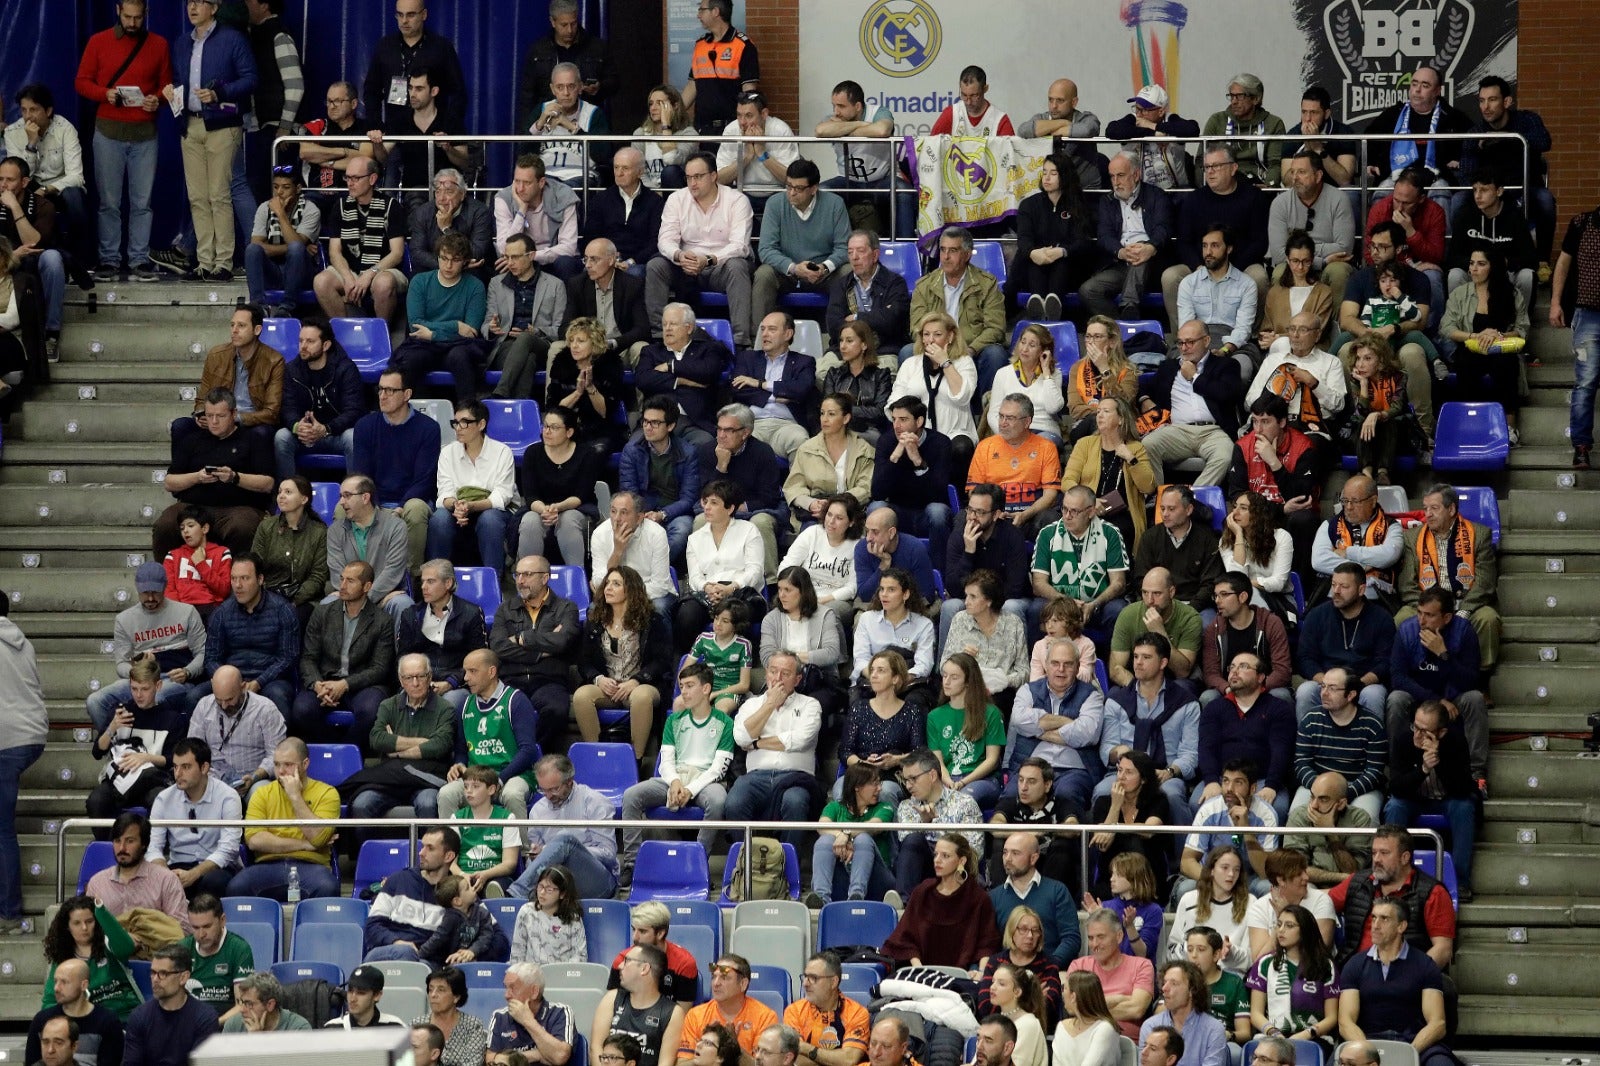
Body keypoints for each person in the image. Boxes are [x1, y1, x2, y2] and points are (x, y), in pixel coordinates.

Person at [74, 0, 172, 282]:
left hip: (145, 135)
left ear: (146, 15)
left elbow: (167, 85)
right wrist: (104, 93)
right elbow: (81, 82)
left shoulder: (159, 44)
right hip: (108, 133)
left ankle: (139, 259)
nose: (132, 23)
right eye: (127, 17)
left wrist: (158, 100)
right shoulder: (98, 41)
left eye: (138, 18)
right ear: (117, 11)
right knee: (109, 202)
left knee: (142, 202)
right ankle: (109, 259)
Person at [160, 0, 256, 283]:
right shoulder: (181, 43)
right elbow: (179, 80)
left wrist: (220, 93)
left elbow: (251, 79)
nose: (193, 7)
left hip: (222, 124)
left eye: (201, 2)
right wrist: (172, 93)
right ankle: (204, 262)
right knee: (198, 197)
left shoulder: (232, 39)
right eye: (190, 2)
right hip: (190, 123)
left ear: (214, 8)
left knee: (219, 194)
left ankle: (223, 262)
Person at [154, 389, 276, 560]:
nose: (214, 421)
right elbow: (169, 482)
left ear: (233, 414)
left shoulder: (252, 440)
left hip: (238, 507)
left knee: (243, 527)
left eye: (220, 416)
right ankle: (167, 580)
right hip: (194, 506)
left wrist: (235, 477)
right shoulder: (192, 440)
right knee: (165, 524)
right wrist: (197, 477)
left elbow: (267, 483)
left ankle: (236, 582)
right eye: (209, 416)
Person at [648, 152, 755, 345]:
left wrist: (708, 259)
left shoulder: (737, 200)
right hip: (685, 266)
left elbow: (740, 246)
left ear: (714, 176)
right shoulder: (676, 199)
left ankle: (741, 341)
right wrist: (679, 255)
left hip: (721, 266)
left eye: (698, 177)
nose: (692, 183)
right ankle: (658, 336)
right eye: (688, 178)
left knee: (737, 267)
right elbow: (665, 240)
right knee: (655, 266)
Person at [725, 651, 825, 853]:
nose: (777, 678)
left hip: (795, 777)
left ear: (797, 679)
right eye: (773, 671)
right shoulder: (751, 705)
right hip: (756, 777)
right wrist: (769, 704)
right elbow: (742, 738)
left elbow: (800, 740)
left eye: (785, 673)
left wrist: (757, 743)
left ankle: (788, 867)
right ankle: (746, 863)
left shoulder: (810, 705)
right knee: (734, 801)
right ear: (765, 675)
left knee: (795, 801)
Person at [1396, 482, 1501, 675]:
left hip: (1465, 602)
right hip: (1426, 603)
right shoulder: (1412, 537)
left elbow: (1484, 583)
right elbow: (1407, 585)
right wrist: (1427, 612)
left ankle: (1481, 679)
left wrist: (1463, 612)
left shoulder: (1479, 534)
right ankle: (1411, 675)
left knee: (1488, 619)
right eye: (1425, 508)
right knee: (1402, 617)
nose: (1427, 514)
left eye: (1434, 508)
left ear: (1451, 509)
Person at [85, 562, 202, 733]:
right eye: (145, 593)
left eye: (155, 592)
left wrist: (188, 671)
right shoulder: (124, 620)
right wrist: (137, 670)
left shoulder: (187, 612)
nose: (150, 598)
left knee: (155, 697)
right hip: (140, 680)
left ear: (165, 587)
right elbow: (121, 664)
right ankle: (117, 749)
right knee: (95, 701)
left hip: (174, 679)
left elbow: (203, 652)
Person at [1336, 899, 1454, 1066]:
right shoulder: (1354, 965)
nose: (1375, 925)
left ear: (1401, 926)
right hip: (1368, 1041)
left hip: (1415, 1042)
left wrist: (1407, 1053)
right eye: (1374, 918)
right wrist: (1366, 1052)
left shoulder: (1425, 965)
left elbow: (1437, 1023)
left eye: (1384, 919)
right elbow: (1345, 1021)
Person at [572, 566, 673, 758]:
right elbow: (583, 662)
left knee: (642, 697)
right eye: (607, 583)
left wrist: (637, 680)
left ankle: (636, 759)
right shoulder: (595, 621)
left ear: (631, 589)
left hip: (642, 685)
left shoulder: (652, 621)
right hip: (608, 686)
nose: (608, 588)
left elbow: (662, 661)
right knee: (581, 696)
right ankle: (596, 754)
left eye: (616, 584)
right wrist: (598, 679)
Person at [291, 560, 395, 744]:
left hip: (362, 686)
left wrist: (345, 685)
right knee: (302, 709)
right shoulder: (322, 613)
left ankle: (349, 753)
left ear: (367, 586)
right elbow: (308, 658)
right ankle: (331, 747)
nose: (343, 585)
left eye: (351, 581)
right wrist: (317, 685)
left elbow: (380, 668)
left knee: (371, 710)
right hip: (325, 681)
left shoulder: (382, 620)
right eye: (341, 579)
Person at [1100, 632, 1200, 822]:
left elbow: (1190, 754)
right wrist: (1116, 752)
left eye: (1146, 657)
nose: (1137, 662)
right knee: (1102, 792)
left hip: (1165, 773)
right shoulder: (1116, 701)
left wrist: (1170, 772)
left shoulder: (1186, 704)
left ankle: (1185, 852)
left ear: (1163, 663)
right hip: (1124, 772)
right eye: (1136, 656)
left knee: (1172, 796)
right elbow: (1107, 747)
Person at [1387, 698, 1480, 902]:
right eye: (1415, 727)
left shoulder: (1455, 741)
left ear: (1441, 732)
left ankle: (1460, 880)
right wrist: (1423, 769)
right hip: (1415, 800)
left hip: (1448, 799)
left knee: (1463, 807)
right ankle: (1390, 874)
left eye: (1424, 731)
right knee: (1394, 806)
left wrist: (1437, 760)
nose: (1417, 735)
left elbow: (1463, 788)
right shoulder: (1404, 739)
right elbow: (1395, 787)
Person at [347, 653, 455, 825]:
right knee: (361, 804)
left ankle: (426, 851)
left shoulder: (446, 708)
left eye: (420, 676)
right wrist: (424, 741)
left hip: (426, 779)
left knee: (427, 803)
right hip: (391, 779)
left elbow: (440, 745)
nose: (415, 683)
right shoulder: (387, 705)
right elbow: (377, 739)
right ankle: (369, 852)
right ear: (400, 679)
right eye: (409, 677)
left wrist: (396, 751)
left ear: (429, 677)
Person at [1163, 148, 1271, 320]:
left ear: (1233, 168)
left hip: (1241, 266)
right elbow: (1183, 242)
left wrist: (1231, 270)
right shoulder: (1194, 200)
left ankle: (1253, 336)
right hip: (1201, 265)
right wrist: (1199, 267)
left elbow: (1260, 242)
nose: (1210, 172)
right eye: (1207, 167)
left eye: (1216, 166)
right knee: (1171, 277)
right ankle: (1182, 338)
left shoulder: (1253, 197)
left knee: (1258, 277)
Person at [352, 370, 442, 574]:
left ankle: (412, 578)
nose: (383, 396)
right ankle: (355, 576)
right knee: (344, 508)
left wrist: (399, 508)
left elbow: (424, 479)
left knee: (416, 509)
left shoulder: (428, 428)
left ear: (407, 394)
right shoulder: (365, 426)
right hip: (376, 499)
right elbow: (362, 476)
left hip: (410, 500)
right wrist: (375, 507)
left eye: (390, 390)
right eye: (380, 389)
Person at [226, 738, 340, 900]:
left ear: (305, 764)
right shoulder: (261, 794)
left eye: (288, 765)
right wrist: (306, 845)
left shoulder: (327, 793)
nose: (280, 771)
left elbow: (317, 837)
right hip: (267, 865)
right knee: (236, 887)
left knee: (328, 887)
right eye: (277, 764)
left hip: (312, 866)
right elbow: (254, 840)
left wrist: (295, 796)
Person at [489, 559, 580, 758]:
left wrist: (523, 638)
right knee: (498, 710)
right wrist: (542, 651)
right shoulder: (505, 609)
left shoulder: (566, 608)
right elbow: (498, 647)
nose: (520, 580)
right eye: (517, 575)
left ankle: (535, 755)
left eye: (527, 575)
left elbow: (562, 642)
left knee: (556, 710)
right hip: (512, 679)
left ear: (545, 578)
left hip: (550, 679)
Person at [1137, 321, 1245, 488]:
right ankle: (1159, 500)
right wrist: (1144, 399)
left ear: (1206, 341)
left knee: (1225, 456)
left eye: (1190, 342)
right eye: (1180, 343)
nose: (1184, 347)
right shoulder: (1169, 367)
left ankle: (1193, 499)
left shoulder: (1226, 365)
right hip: (1178, 430)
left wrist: (1194, 377)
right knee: (1148, 445)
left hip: (1214, 431)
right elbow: (1142, 384)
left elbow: (1226, 394)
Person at [903, 228, 1008, 401]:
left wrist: (971, 349)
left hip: (972, 347)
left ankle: (984, 414)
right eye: (943, 250)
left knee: (995, 354)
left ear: (967, 255)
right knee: (907, 351)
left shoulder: (987, 284)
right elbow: (917, 327)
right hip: (935, 345)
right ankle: (916, 411)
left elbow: (996, 328)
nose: (945, 256)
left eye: (953, 250)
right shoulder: (924, 285)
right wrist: (934, 346)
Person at [191, 555, 299, 719]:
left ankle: (278, 745)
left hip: (270, 680)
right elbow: (211, 658)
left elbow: (288, 658)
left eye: (244, 578)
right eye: (233, 579)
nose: (238, 585)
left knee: (278, 696)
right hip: (231, 678)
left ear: (260, 579)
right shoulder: (221, 613)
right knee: (194, 697)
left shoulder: (282, 610)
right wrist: (228, 682)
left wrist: (259, 682)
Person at [1438, 246, 1529, 436]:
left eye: (1481, 264)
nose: (1473, 269)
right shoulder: (1460, 293)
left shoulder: (1511, 294)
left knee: (1507, 363)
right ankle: (1470, 424)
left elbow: (1522, 330)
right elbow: (1446, 328)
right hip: (1471, 348)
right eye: (1471, 264)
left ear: (1493, 267)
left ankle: (1510, 428)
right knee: (1464, 362)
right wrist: (1475, 336)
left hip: (1501, 349)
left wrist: (1498, 335)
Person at [391, 234, 491, 407]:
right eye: (444, 258)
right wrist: (456, 326)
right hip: (424, 344)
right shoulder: (420, 282)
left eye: (455, 260)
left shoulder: (475, 286)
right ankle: (417, 413)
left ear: (465, 261)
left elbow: (471, 331)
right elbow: (416, 324)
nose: (448, 265)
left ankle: (467, 413)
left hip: (457, 346)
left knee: (459, 356)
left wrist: (433, 334)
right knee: (411, 360)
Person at [427, 398, 518, 581]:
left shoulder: (502, 452)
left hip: (494, 510)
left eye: (465, 422)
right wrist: (457, 506)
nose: (458, 427)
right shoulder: (448, 452)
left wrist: (471, 506)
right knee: (439, 518)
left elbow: (502, 496)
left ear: (481, 424)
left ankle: (493, 581)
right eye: (456, 422)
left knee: (490, 519)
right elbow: (444, 493)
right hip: (458, 508)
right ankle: (434, 579)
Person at [508, 754, 620, 901]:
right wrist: (539, 855)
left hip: (596, 880)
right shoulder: (537, 810)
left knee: (565, 841)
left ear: (569, 782)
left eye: (554, 789)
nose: (548, 796)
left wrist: (568, 851)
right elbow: (534, 864)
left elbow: (608, 854)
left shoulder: (595, 802)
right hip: (555, 883)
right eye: (543, 790)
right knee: (558, 847)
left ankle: (515, 895)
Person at [1197, 646, 1296, 813]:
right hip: (1224, 779)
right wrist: (1211, 780)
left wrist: (1272, 785)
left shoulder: (1278, 708)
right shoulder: (1215, 708)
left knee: (1277, 808)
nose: (1235, 672)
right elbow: (1207, 748)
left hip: (1262, 780)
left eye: (1243, 667)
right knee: (1197, 803)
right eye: (1232, 667)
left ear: (1261, 677)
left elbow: (1281, 751)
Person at [1224, 414, 1314, 596]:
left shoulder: (1303, 445)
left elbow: (1300, 499)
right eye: (1255, 422)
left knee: (1303, 519)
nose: (1258, 429)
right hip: (1268, 512)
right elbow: (1236, 495)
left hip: (1286, 519)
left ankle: (1306, 593)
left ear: (1282, 421)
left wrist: (1274, 462)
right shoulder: (1242, 446)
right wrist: (1239, 535)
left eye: (1265, 422)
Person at [1010, 639, 1106, 809]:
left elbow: (1087, 734)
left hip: (1075, 771)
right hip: (1030, 769)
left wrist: (1037, 729)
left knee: (1066, 795)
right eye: (1055, 663)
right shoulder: (1027, 690)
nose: (1061, 670)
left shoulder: (1092, 695)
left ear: (1077, 667)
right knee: (1010, 797)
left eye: (1068, 664)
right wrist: (1068, 722)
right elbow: (1018, 720)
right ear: (1046, 665)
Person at [312, 154, 407, 325]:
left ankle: (379, 335)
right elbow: (334, 251)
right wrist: (347, 277)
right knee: (321, 281)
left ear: (372, 179)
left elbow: (397, 253)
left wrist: (370, 274)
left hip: (383, 269)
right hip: (351, 269)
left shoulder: (392, 206)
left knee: (383, 283)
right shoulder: (340, 206)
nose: (349, 182)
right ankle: (346, 333)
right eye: (347, 177)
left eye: (356, 178)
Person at [85, 660, 181, 828]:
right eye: (134, 688)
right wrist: (112, 728)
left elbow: (173, 759)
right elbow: (97, 752)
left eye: (145, 689)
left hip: (152, 780)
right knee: (96, 801)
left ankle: (151, 850)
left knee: (160, 800)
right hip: (119, 779)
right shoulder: (120, 712)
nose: (138, 695)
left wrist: (146, 758)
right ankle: (112, 847)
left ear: (158, 686)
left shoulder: (172, 719)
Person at [752, 158, 849, 323]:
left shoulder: (835, 204)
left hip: (823, 271)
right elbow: (766, 249)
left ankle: (844, 335)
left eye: (798, 188)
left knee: (848, 272)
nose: (791, 192)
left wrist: (824, 267)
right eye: (788, 186)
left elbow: (844, 247)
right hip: (787, 271)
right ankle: (758, 339)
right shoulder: (775, 204)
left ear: (814, 188)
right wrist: (794, 268)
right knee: (763, 274)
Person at [1296, 562, 1396, 721]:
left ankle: (1371, 744)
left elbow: (1385, 662)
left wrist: (1357, 684)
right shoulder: (1317, 615)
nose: (1336, 591)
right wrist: (1329, 685)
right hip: (1325, 680)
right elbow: (1305, 657)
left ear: (1361, 590)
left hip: (1364, 683)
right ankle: (1307, 743)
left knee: (1374, 695)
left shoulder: (1381, 618)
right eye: (1333, 585)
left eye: (1344, 586)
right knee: (1305, 692)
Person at [882, 833, 999, 968]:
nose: (937, 860)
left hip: (963, 977)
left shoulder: (978, 898)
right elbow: (906, 937)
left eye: (945, 856)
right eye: (936, 854)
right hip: (921, 975)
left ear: (961, 861)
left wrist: (981, 973)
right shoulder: (923, 891)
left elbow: (986, 945)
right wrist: (918, 969)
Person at [1079, 152, 1173, 319]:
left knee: (1140, 250)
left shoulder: (1156, 196)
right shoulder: (1107, 201)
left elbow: (1163, 229)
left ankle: (1129, 306)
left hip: (1152, 263)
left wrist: (1150, 247)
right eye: (1112, 177)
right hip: (1121, 262)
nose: (1115, 182)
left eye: (1120, 176)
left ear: (1136, 175)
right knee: (1088, 290)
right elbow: (1104, 235)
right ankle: (1119, 327)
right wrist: (1120, 252)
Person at [1010, 153, 1099, 321]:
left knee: (1061, 260)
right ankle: (1038, 302)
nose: (1047, 178)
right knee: (1035, 261)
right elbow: (1024, 239)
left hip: (1068, 267)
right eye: (1044, 172)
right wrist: (1033, 253)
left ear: (1064, 175)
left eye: (1053, 173)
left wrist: (1062, 251)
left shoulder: (1078, 204)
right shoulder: (1029, 205)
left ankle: (1053, 303)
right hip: (1033, 266)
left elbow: (1083, 242)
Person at [479, 233, 568, 400]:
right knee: (528, 360)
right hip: (507, 346)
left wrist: (536, 331)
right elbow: (485, 325)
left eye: (516, 257)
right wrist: (491, 328)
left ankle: (500, 392)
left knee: (526, 338)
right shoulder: (496, 284)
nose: (510, 263)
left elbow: (560, 329)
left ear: (531, 255)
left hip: (542, 344)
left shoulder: (556, 285)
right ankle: (520, 408)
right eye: (507, 257)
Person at [1292, 659, 1386, 814]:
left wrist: (1343, 793)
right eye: (1323, 686)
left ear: (1350, 695)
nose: (1324, 693)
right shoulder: (1310, 719)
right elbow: (1302, 763)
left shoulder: (1372, 724)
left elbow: (1374, 772)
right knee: (1297, 812)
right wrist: (1322, 790)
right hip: (1317, 785)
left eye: (1333, 688)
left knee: (1365, 816)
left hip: (1358, 788)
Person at [1031, 485, 1130, 631]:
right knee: (1036, 608)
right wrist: (1066, 602)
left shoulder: (1110, 533)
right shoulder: (1048, 533)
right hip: (1059, 603)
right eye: (1064, 509)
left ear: (1090, 512)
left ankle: (1112, 654)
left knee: (1117, 609)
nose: (1067, 516)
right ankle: (1039, 654)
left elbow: (1118, 583)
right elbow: (1038, 583)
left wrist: (1094, 604)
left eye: (1074, 511)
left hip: (1097, 605)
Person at [1179, 757, 1280, 899]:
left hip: (1248, 878)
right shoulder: (1209, 810)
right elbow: (1187, 861)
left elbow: (1265, 872)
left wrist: (1246, 830)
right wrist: (1216, 881)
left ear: (1252, 788)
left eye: (1238, 782)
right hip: (1213, 876)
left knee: (1267, 888)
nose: (1229, 789)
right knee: (1186, 888)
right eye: (1225, 781)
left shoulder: (1266, 815)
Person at [273, 320, 363, 480]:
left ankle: (356, 494)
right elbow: (287, 407)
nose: (303, 346)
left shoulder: (345, 369)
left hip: (335, 433)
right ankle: (286, 495)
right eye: (301, 341)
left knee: (353, 437)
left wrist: (326, 428)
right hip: (305, 434)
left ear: (326, 345)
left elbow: (353, 411)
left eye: (310, 341)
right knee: (282, 437)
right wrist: (297, 426)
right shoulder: (292, 370)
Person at [1267, 152, 1356, 311]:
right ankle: (1285, 329)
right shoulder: (1280, 203)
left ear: (1318, 175)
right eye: (1292, 172)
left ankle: (1336, 330)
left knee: (1339, 271)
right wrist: (1322, 260)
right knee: (1280, 272)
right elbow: (1280, 255)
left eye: (1301, 172)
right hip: (1297, 264)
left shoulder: (1339, 199)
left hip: (1332, 265)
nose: (1294, 178)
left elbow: (1344, 249)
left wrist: (1301, 252)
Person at [1362, 64, 1470, 196]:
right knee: (1382, 192)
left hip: (1437, 176)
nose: (1417, 90)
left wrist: (1460, 159)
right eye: (1414, 84)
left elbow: (1472, 143)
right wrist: (1372, 162)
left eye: (1425, 86)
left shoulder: (1453, 117)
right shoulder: (1394, 114)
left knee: (1440, 192)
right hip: (1397, 176)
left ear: (1437, 91)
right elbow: (1368, 139)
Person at [870, 396, 955, 563]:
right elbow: (877, 492)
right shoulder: (886, 441)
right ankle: (882, 566)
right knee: (876, 508)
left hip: (926, 513)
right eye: (894, 419)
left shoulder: (940, 443)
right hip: (898, 513)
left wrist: (918, 461)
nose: (896, 426)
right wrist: (895, 456)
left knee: (938, 512)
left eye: (903, 420)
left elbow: (939, 493)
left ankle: (939, 573)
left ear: (919, 421)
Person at [892, 745, 984, 897]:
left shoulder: (965, 803)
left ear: (933, 775)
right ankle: (903, 904)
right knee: (913, 839)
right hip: (922, 871)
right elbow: (906, 846)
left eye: (913, 779)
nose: (908, 786)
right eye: (905, 780)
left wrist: (945, 852)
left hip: (956, 869)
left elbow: (975, 851)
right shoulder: (907, 806)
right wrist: (924, 825)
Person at [396, 562, 488, 713]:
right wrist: (419, 681)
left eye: (430, 581)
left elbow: (479, 660)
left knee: (452, 703)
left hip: (456, 683)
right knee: (400, 704)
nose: (423, 587)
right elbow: (403, 658)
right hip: (416, 680)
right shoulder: (411, 614)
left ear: (448, 583)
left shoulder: (471, 613)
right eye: (422, 581)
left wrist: (450, 683)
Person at [516, 404, 604, 563]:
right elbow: (530, 495)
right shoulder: (532, 453)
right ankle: (528, 576)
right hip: (540, 509)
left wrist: (557, 507)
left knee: (568, 520)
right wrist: (545, 509)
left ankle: (575, 576)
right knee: (530, 521)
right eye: (546, 426)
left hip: (577, 508)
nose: (547, 431)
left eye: (554, 427)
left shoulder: (587, 454)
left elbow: (581, 495)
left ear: (569, 432)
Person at [328, 474, 418, 627]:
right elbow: (337, 572)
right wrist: (360, 600)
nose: (341, 502)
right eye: (341, 496)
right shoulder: (335, 530)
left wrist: (366, 599)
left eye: (347, 496)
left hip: (386, 594)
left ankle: (404, 652)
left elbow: (393, 571)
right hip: (350, 596)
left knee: (402, 604)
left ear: (365, 497)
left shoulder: (395, 526)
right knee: (328, 603)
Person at [360, 0, 465, 132]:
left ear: (424, 15)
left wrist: (450, 127)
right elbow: (371, 90)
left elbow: (458, 92)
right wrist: (375, 125)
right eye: (400, 14)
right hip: (395, 131)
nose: (404, 21)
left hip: (432, 132)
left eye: (410, 15)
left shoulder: (441, 47)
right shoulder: (385, 46)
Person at [370, 68, 472, 204]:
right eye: (410, 88)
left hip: (447, 188)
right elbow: (383, 157)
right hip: (413, 191)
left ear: (434, 91)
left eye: (419, 89)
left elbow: (464, 162)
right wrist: (377, 143)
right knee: (417, 205)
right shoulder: (401, 120)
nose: (412, 94)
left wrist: (448, 148)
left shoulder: (450, 120)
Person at [967, 395, 1062, 538]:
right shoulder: (985, 447)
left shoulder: (1046, 447)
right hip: (995, 515)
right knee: (963, 519)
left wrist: (1024, 515)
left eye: (1010, 418)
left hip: (1031, 515)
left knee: (1051, 519)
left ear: (1027, 422)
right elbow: (973, 491)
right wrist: (993, 513)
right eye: (1001, 416)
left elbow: (1051, 495)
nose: (1002, 423)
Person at [730, 312, 820, 462]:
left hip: (787, 425)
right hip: (753, 425)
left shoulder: (803, 362)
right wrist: (776, 396)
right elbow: (738, 389)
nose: (765, 334)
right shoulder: (748, 358)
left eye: (771, 329)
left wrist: (760, 384)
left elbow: (802, 389)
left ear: (787, 334)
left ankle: (796, 486)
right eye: (763, 329)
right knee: (737, 441)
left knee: (800, 440)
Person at [184, 664, 285, 795]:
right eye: (218, 700)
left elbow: (276, 755)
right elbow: (193, 750)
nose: (224, 706)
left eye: (229, 699)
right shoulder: (204, 706)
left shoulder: (265, 710)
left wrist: (255, 777)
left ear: (243, 687)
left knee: (261, 792)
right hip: (214, 779)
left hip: (254, 778)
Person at [805, 762, 895, 907]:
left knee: (863, 839)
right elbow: (821, 826)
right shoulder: (835, 807)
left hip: (877, 880)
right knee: (825, 840)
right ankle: (821, 898)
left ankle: (857, 895)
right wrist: (839, 836)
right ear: (857, 787)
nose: (879, 789)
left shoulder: (884, 807)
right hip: (842, 880)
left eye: (880, 783)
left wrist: (845, 834)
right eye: (874, 784)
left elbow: (873, 827)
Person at [363, 825, 457, 962]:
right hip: (386, 954)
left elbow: (494, 933)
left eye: (430, 848)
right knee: (405, 953)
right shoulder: (398, 880)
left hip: (426, 962)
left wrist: (471, 952)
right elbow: (372, 927)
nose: (421, 853)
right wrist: (397, 942)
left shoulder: (457, 891)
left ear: (448, 856)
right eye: (422, 846)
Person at [1131, 487, 1223, 625]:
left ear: (1188, 510)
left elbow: (1210, 583)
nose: (1165, 514)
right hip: (1156, 603)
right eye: (1162, 508)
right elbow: (1140, 578)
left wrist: (1189, 610)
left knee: (1207, 624)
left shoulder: (1208, 539)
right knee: (1130, 619)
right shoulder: (1150, 537)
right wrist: (1157, 604)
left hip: (1195, 605)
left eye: (1171, 509)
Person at [84, 812, 190, 932]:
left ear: (144, 844)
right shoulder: (97, 883)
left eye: (130, 841)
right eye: (117, 841)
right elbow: (87, 928)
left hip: (156, 948)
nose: (122, 848)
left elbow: (182, 928)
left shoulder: (166, 880)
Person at [1364, 170, 1449, 319]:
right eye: (1396, 200)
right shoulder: (1380, 210)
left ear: (1421, 198)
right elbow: (1369, 253)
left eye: (1407, 203)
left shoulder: (1435, 212)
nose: (1399, 208)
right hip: (1391, 266)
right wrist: (1408, 268)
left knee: (1433, 277)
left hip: (1423, 269)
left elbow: (1436, 256)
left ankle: (1433, 333)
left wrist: (1411, 233)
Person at [1446, 170, 1538, 307]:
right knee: (1455, 275)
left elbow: (1531, 259)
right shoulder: (1464, 215)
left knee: (1526, 275)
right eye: (1475, 190)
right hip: (1475, 272)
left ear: (1499, 191)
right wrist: (1477, 264)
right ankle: (1460, 321)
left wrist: (1505, 263)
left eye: (1484, 190)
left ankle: (1519, 324)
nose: (1477, 196)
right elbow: (1452, 257)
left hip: (1505, 273)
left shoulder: (1514, 217)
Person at [40, 896, 141, 1021]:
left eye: (89, 921)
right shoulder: (63, 958)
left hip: (124, 1015)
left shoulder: (109, 943)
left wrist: (101, 911)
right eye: (77, 923)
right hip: (88, 1022)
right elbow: (49, 1002)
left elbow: (127, 948)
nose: (84, 928)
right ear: (67, 926)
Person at [1086, 751, 1171, 898]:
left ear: (1143, 779)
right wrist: (1115, 806)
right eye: (1119, 770)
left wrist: (1116, 827)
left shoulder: (1157, 800)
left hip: (1147, 878)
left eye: (1129, 772)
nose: (1121, 777)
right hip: (1112, 878)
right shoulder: (1103, 803)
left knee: (1135, 840)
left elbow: (1149, 830)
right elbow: (1103, 844)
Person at [1198, 572, 1293, 702]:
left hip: (1264, 688)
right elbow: (1210, 673)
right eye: (1215, 596)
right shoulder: (1214, 629)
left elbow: (1282, 671)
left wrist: (1255, 688)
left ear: (1242, 597)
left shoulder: (1270, 623)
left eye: (1224, 594)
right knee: (1208, 697)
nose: (1217, 601)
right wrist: (1228, 688)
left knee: (1280, 695)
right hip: (1230, 690)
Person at [991, 831, 1080, 969]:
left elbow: (1071, 938)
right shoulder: (994, 897)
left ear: (1033, 858)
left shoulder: (1057, 891)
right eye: (1005, 852)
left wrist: (1049, 967)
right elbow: (989, 943)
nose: (1007, 858)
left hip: (1050, 972)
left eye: (1015, 853)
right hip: (1008, 975)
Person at [1554, 200, 1600, 468]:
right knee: (1586, 381)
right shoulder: (1581, 223)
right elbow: (1563, 264)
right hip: (1587, 313)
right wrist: (1556, 302)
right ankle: (1581, 446)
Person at [544, 315, 628, 457]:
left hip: (599, 431)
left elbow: (605, 412)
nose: (574, 346)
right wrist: (577, 392)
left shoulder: (610, 366)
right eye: (571, 341)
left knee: (593, 451)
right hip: (566, 429)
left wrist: (590, 388)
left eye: (581, 341)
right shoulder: (561, 364)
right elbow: (554, 411)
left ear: (594, 344)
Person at [121, 945, 218, 1066]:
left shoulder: (205, 1018)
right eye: (152, 972)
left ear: (183, 977)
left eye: (163, 973)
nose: (155, 979)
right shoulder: (139, 1016)